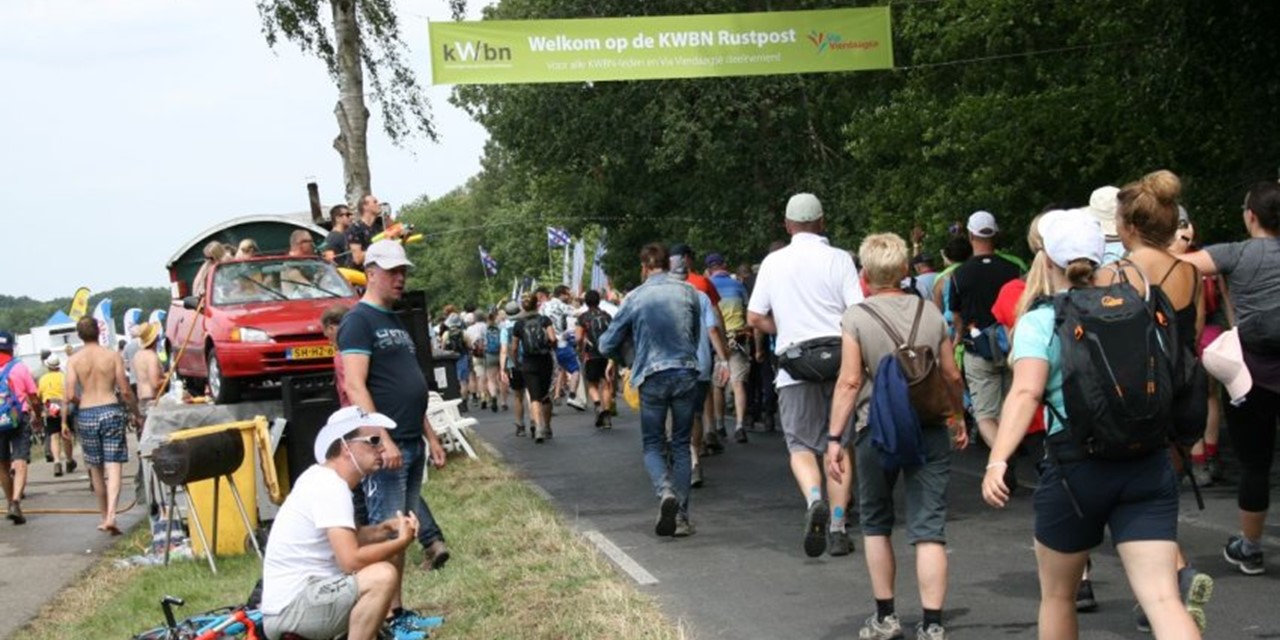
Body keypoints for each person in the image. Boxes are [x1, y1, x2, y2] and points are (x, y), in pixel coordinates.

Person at [981, 208, 1200, 640]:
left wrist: (997, 460)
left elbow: (1025, 393)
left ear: (1046, 261)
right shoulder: (1139, 307)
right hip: (1147, 461)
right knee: (1162, 599)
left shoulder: (1043, 320)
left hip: (1076, 469)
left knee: (1059, 597)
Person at [828, 233, 967, 640]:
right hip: (928, 427)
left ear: (865, 274)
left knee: (875, 522)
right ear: (905, 270)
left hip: (877, 429)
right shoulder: (930, 314)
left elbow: (850, 382)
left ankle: (886, 618)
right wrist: (957, 416)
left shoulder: (856, 316)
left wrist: (835, 438)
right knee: (929, 528)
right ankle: (933, 624)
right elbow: (951, 374)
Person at [1099, 170, 1212, 632]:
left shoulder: (1115, 273)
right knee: (1160, 494)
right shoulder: (1188, 272)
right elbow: (1192, 335)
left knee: (1131, 500)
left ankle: (1172, 582)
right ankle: (1165, 588)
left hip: (1133, 397)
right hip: (1182, 394)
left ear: (1127, 226)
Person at [748, 193, 864, 558]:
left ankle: (814, 499)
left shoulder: (773, 262)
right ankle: (838, 525)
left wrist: (782, 330)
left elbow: (754, 317)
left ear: (787, 225)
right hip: (839, 362)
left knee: (800, 447)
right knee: (840, 445)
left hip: (794, 365)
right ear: (822, 221)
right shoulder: (840, 259)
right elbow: (856, 312)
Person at [261, 406, 434, 640]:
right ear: (345, 448)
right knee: (382, 575)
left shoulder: (323, 478)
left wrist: (384, 530)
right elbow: (350, 560)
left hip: (295, 604)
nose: (382, 447)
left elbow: (347, 538)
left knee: (371, 593)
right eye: (374, 440)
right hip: (293, 609)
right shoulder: (330, 487)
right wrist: (400, 543)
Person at [1179, 180, 1280, 576]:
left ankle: (1250, 547)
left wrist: (1178, 239)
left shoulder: (1234, 254)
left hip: (1250, 376)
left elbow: (1178, 265)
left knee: (1255, 465)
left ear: (1250, 215)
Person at [338, 240, 451, 576]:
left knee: (404, 528)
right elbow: (355, 384)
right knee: (388, 530)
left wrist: (430, 436)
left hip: (411, 439)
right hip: (388, 444)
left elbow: (411, 384)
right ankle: (387, 614)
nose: (400, 278)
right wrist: (382, 439)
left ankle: (396, 611)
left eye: (403, 271)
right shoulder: (358, 321)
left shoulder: (395, 319)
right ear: (370, 274)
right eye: (392, 272)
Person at [599, 243, 719, 537]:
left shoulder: (635, 297)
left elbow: (605, 344)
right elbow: (694, 334)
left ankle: (664, 491)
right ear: (669, 264)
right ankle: (680, 516)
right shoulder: (690, 292)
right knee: (681, 445)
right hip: (686, 373)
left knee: (653, 444)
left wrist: (627, 358)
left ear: (644, 267)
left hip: (651, 375)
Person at [949, 211, 1022, 469]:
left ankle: (1003, 456)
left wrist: (957, 338)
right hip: (1012, 346)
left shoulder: (959, 275)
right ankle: (1010, 448)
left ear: (970, 236)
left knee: (985, 414)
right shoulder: (1014, 269)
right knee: (1010, 407)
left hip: (977, 349)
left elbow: (956, 315)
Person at [64, 318, 141, 535]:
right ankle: (112, 516)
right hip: (110, 409)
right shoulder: (111, 355)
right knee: (113, 464)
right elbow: (125, 390)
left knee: (95, 467)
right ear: (99, 332)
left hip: (87, 413)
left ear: (79, 335)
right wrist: (136, 413)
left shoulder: (74, 360)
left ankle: (103, 515)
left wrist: (84, 402)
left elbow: (69, 394)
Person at [706, 252, 753, 443]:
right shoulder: (738, 285)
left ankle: (719, 424)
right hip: (739, 339)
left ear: (710, 269)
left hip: (717, 341)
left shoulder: (707, 286)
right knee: (738, 383)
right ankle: (740, 425)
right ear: (725, 266)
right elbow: (748, 311)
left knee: (718, 385)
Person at [1, 330, 41, 525]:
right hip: (19, 418)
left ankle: (9, 503)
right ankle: (16, 501)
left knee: (2, 464)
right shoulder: (20, 368)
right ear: (11, 347)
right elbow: (33, 396)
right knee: (20, 460)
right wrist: (38, 416)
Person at [510, 295, 557, 443]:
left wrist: (516, 361)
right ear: (537, 305)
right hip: (545, 360)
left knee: (534, 396)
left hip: (528, 362)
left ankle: (538, 428)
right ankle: (548, 426)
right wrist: (551, 349)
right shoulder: (545, 320)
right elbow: (553, 338)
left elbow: (515, 347)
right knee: (545, 395)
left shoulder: (518, 324)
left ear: (523, 307)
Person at [576, 290, 615, 429]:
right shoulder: (607, 316)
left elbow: (579, 338)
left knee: (592, 384)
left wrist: (580, 350)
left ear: (586, 302)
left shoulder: (583, 318)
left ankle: (598, 405)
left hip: (591, 354)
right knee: (605, 384)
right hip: (606, 353)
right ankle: (606, 415)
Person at [37, 354, 77, 478]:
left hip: (50, 409)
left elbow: (39, 395)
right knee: (66, 435)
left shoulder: (43, 379)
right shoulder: (63, 377)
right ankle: (69, 460)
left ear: (48, 366)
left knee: (54, 436)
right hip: (64, 408)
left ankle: (57, 462)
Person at [499, 300, 530, 436]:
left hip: (514, 364)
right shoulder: (526, 323)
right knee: (531, 393)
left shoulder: (505, 328)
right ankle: (535, 421)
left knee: (518, 396)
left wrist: (502, 369)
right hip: (529, 361)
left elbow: (504, 350)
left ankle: (520, 425)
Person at [130, 323, 164, 433]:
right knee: (157, 438)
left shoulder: (137, 356)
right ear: (156, 338)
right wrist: (167, 378)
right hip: (153, 400)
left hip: (142, 400)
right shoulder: (151, 357)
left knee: (147, 438)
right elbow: (155, 383)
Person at [347, 194, 387, 269]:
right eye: (375, 202)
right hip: (361, 277)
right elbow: (358, 259)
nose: (378, 205)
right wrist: (380, 249)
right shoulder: (355, 229)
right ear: (365, 206)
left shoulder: (379, 228)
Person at [324, 204, 355, 268]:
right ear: (338, 218)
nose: (351, 217)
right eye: (347, 215)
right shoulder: (333, 238)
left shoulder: (343, 235)